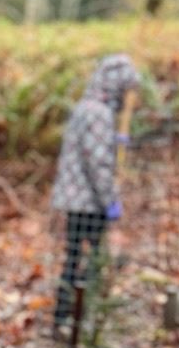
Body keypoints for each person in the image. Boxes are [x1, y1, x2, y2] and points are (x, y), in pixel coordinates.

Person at [49, 53, 139, 331]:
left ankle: (66, 316)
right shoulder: (99, 113)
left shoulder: (87, 107)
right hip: (88, 203)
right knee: (90, 258)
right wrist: (109, 200)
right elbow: (97, 163)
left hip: (74, 199)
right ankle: (77, 317)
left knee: (74, 255)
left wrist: (114, 141)